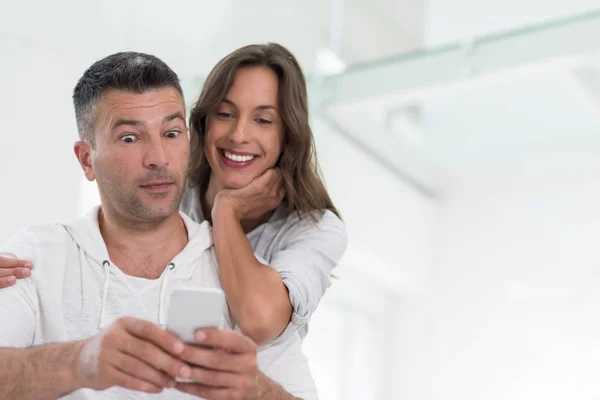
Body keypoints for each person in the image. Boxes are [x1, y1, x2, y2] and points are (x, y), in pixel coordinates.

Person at [0, 52, 316, 399]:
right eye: (130, 138)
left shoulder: (241, 277)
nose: (159, 158)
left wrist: (258, 391)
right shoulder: (36, 257)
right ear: (86, 159)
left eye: (171, 132)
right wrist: (78, 362)